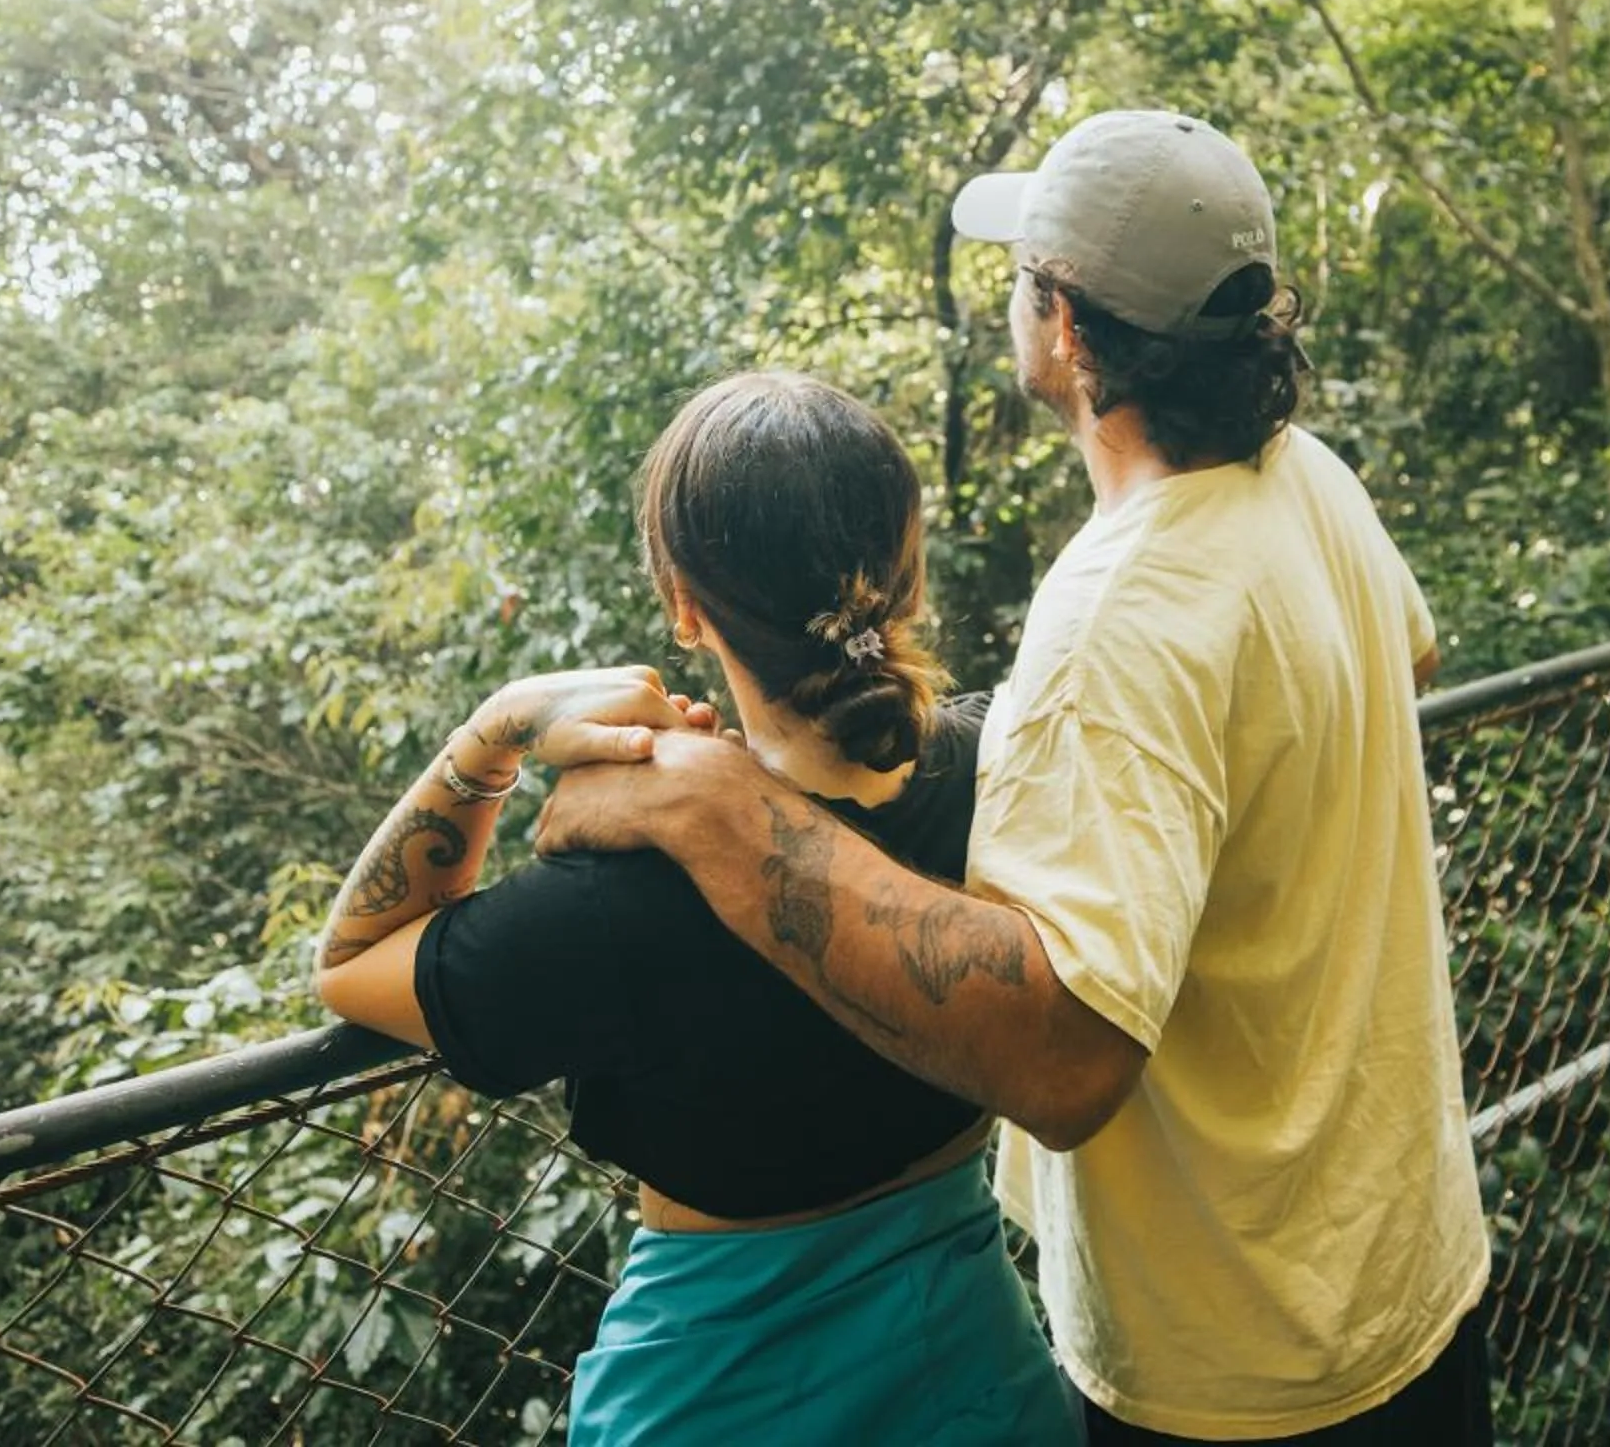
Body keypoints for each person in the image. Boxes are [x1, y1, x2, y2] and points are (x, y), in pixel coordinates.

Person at [535, 111, 1493, 1443]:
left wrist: (731, 816)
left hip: (1241, 1356)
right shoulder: (1307, 480)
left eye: (1023, 272)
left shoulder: (1119, 611)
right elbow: (1412, 656)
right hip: (1408, 1260)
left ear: (1067, 330)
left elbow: (1064, 1063)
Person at [313, 372, 1074, 1447]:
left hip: (715, 1392)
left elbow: (354, 957)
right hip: (982, 1377)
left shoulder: (624, 895)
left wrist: (495, 728)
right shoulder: (1002, 771)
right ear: (907, 572)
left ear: (684, 603)